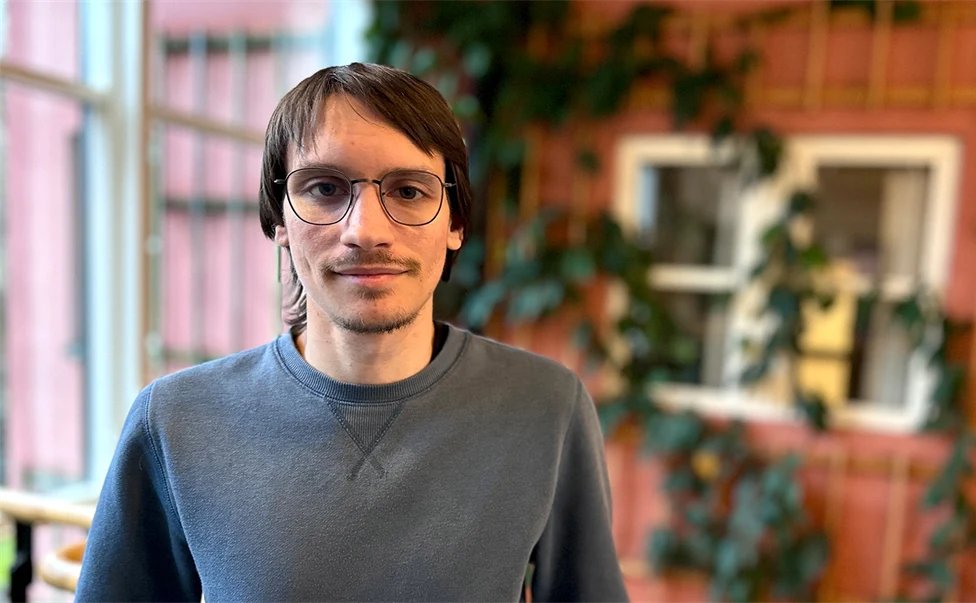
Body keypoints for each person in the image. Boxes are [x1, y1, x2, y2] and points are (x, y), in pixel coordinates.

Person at [74, 63, 629, 603]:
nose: (365, 231)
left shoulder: (545, 407)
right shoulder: (176, 420)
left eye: (409, 191)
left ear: (456, 222)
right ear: (278, 222)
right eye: (324, 188)